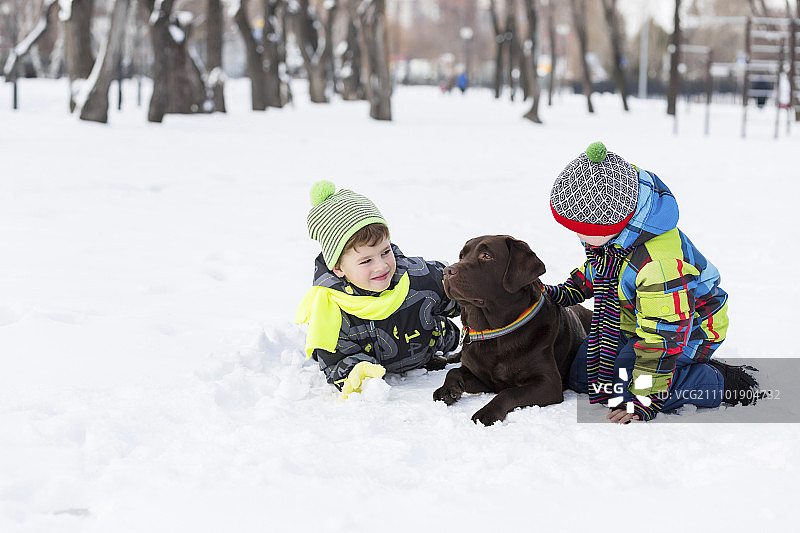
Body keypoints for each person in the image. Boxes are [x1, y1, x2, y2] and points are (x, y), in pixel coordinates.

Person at [546, 142, 759, 423]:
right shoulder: (618, 233)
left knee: (623, 389)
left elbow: (663, 337)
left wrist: (644, 399)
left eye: (581, 230)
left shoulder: (659, 264)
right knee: (585, 376)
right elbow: (602, 268)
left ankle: (714, 381)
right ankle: (654, 372)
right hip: (637, 320)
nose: (577, 236)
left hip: (686, 330)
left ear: (611, 225)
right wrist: (566, 292)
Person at [295, 181, 460, 397]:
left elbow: (461, 292)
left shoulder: (419, 277)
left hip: (434, 342)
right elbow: (336, 360)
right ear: (338, 268)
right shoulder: (330, 310)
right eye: (366, 261)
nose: (381, 266)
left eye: (385, 252)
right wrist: (359, 372)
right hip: (376, 363)